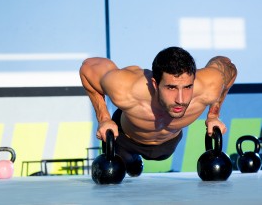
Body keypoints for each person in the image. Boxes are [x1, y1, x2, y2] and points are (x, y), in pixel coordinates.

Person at [79, 46, 237, 176]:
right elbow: (87, 67)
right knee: (131, 168)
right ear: (155, 84)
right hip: (127, 140)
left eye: (188, 87)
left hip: (168, 144)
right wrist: (104, 119)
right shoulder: (126, 88)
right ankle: (133, 161)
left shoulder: (209, 84)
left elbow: (228, 67)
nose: (181, 100)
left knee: (159, 156)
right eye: (171, 87)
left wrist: (213, 114)